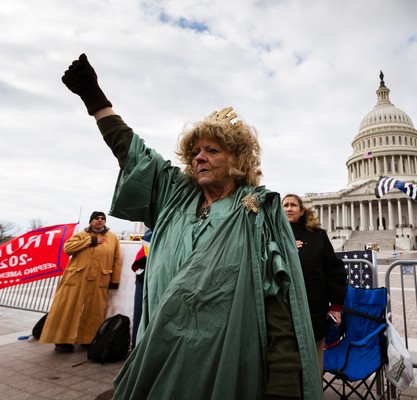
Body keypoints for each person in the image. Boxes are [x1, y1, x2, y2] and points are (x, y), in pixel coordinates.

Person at [61, 53, 321, 399]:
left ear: (237, 161)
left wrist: (284, 385)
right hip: (161, 355)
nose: (200, 157)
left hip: (225, 366)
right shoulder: (175, 197)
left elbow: (279, 303)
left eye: (212, 150)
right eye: (195, 151)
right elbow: (133, 153)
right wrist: (95, 100)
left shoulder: (257, 211)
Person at [282, 194, 347, 377]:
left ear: (302, 211)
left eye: (293, 205)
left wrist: (335, 306)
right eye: (285, 205)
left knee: (312, 368)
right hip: (282, 315)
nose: (288, 208)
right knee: (285, 370)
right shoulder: (273, 236)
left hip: (313, 312)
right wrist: (284, 249)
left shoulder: (318, 236)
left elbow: (334, 271)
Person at [40, 211, 121, 353]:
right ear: (91, 221)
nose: (100, 220)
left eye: (103, 218)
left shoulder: (113, 238)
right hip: (77, 278)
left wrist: (114, 280)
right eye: (96, 218)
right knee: (68, 309)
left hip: (99, 279)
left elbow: (116, 260)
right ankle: (62, 340)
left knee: (94, 311)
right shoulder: (82, 235)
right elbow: (67, 249)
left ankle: (87, 340)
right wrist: (90, 241)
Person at [129, 229, 151, 350]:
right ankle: (136, 348)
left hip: (149, 275)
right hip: (144, 276)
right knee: (140, 311)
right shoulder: (150, 233)